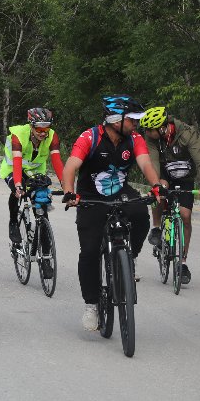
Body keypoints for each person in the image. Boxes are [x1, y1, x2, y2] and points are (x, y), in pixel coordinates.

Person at [62, 95, 163, 331]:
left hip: (120, 190)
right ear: (115, 119)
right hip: (90, 196)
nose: (137, 124)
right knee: (88, 251)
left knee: (140, 215)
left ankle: (131, 257)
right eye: (133, 119)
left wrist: (156, 186)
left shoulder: (134, 138)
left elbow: (146, 163)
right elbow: (71, 166)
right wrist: (69, 192)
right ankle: (91, 306)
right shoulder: (90, 137)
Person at [140, 106, 200, 284]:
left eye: (150, 130)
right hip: (165, 174)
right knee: (160, 191)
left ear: (162, 127)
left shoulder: (187, 133)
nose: (147, 133)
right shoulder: (152, 139)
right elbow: (152, 161)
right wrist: (156, 185)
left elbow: (199, 159)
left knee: (185, 215)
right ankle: (157, 228)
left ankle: (182, 263)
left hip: (186, 177)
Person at [0, 107, 64, 247]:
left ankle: (43, 232)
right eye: (39, 129)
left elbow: (57, 161)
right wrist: (17, 185)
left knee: (40, 197)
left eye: (46, 129)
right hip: (13, 168)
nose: (43, 133)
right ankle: (13, 222)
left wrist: (65, 184)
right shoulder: (18, 135)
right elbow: (16, 163)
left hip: (34, 170)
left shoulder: (52, 136)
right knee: (18, 190)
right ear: (31, 126)